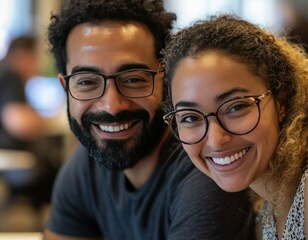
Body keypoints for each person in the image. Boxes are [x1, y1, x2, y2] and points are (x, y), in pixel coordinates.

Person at [162, 15, 308, 239]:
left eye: (235, 107)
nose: (215, 139)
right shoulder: (268, 212)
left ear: (281, 101)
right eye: (190, 118)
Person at [44, 1, 255, 240]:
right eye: (87, 82)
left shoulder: (206, 170)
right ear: (65, 87)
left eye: (134, 79)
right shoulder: (85, 168)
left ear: (165, 82)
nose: (112, 106)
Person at [0, 36, 58, 218]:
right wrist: (48, 120)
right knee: (59, 171)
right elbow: (17, 122)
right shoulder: (11, 76)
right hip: (8, 161)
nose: (36, 65)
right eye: (35, 58)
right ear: (24, 56)